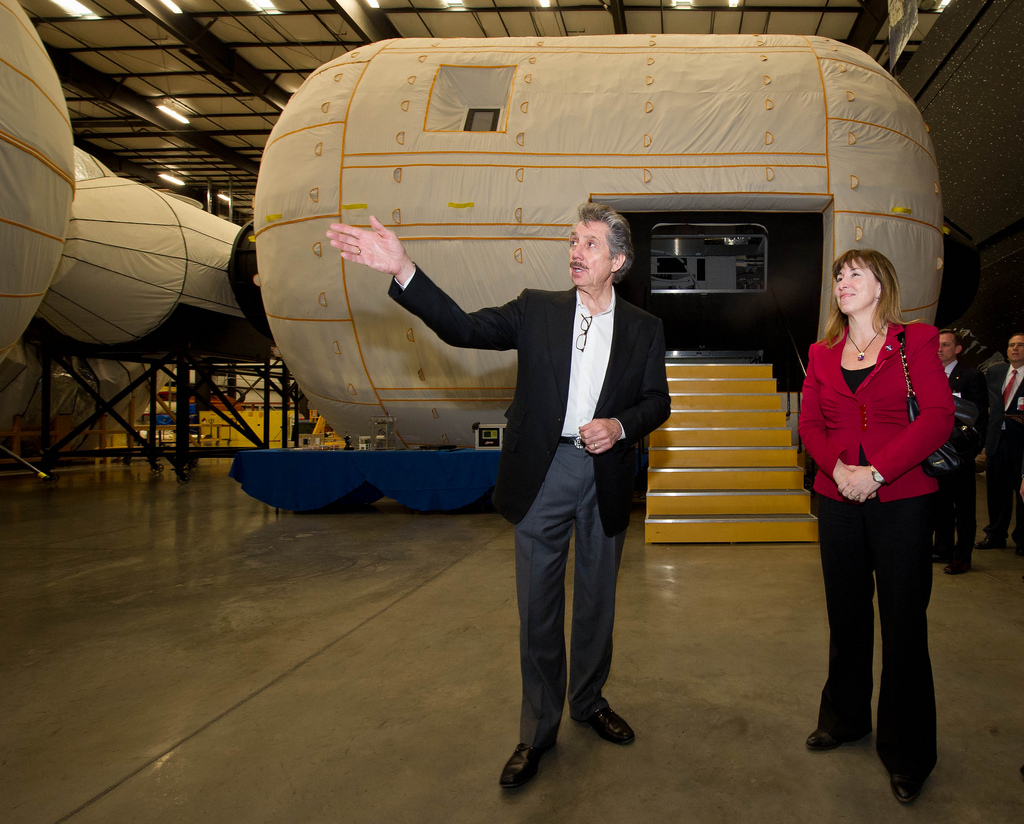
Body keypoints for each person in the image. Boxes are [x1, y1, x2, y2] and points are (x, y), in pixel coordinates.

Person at [326, 203, 670, 789]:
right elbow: (464, 329)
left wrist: (620, 426)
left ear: (617, 259)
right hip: (543, 471)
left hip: (606, 473)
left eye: (589, 244)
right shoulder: (537, 308)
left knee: (596, 604)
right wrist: (404, 268)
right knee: (538, 608)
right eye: (572, 240)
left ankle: (588, 702)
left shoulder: (643, 327)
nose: (575, 251)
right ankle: (537, 732)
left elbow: (656, 401)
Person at [798, 249, 954, 804]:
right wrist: (837, 470)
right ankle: (844, 719)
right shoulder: (821, 353)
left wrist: (879, 471)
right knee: (846, 615)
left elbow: (938, 417)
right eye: (838, 276)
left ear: (881, 283)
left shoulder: (917, 342)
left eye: (854, 273)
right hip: (837, 498)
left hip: (903, 499)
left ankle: (908, 750)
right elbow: (811, 422)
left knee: (904, 623)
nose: (843, 282)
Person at [932, 329, 987, 574]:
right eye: (938, 345)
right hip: (933, 452)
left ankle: (962, 556)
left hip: (959, 453)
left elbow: (977, 418)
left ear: (958, 349)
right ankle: (942, 548)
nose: (940, 349)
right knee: (940, 505)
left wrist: (967, 448)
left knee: (964, 509)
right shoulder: (928, 376)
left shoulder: (971, 376)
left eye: (945, 345)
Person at [975, 333, 1024, 554]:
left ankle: (1022, 539)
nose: (1015, 349)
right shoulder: (995, 372)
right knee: (996, 490)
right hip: (997, 439)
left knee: (1022, 492)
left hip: (1021, 442)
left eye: (1021, 345)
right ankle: (995, 534)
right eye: (1011, 344)